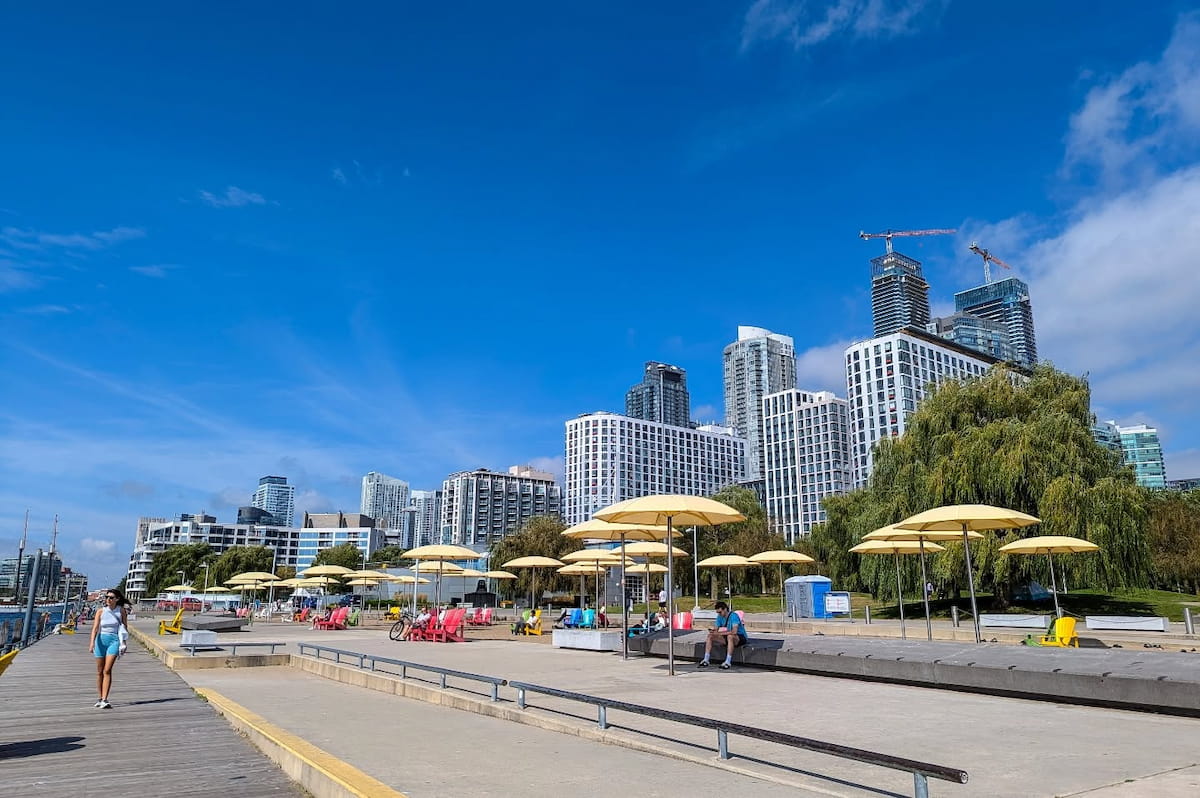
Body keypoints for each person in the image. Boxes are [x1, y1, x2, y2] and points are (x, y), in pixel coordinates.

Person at [88, 588, 130, 708]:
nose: (108, 599)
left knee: (107, 670)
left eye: (111, 597)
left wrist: (124, 643)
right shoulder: (101, 611)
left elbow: (124, 628)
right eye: (107, 597)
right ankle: (100, 698)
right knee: (99, 671)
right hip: (101, 640)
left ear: (117, 599)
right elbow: (95, 628)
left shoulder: (121, 611)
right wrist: (92, 643)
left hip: (114, 640)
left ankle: (105, 699)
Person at [698, 601, 746, 670]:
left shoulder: (734, 616)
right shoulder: (719, 617)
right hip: (728, 636)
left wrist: (719, 633)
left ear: (725, 609)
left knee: (730, 637)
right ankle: (706, 659)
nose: (719, 614)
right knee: (710, 636)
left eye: (720, 612)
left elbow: (734, 632)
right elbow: (716, 629)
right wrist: (713, 631)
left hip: (740, 637)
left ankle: (728, 661)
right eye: (718, 613)